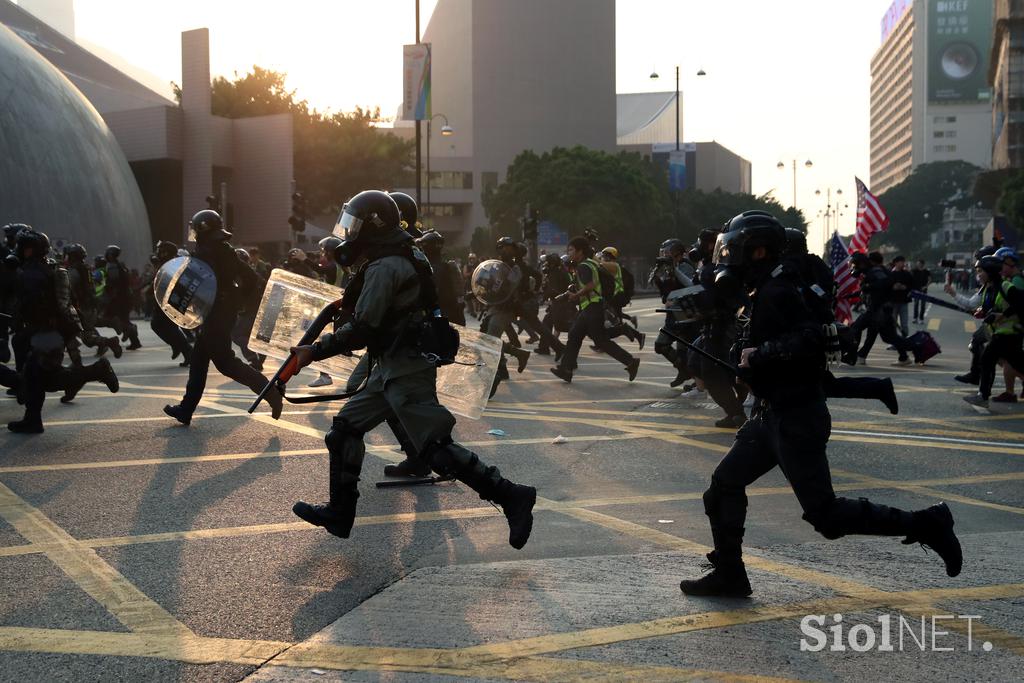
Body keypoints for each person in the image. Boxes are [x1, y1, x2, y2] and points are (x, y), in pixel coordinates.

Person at [678, 211, 962, 597]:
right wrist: (745, 354)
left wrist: (759, 356)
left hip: (796, 416)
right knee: (723, 486)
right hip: (770, 415)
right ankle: (730, 573)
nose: (728, 258)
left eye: (736, 249)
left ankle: (927, 522)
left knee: (825, 515)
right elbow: (760, 341)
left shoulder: (779, 289)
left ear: (758, 251)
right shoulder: (767, 287)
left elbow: (812, 338)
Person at [289, 190, 537, 547]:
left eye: (355, 224)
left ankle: (511, 494)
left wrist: (315, 350)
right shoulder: (398, 253)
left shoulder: (386, 265)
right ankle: (340, 512)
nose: (349, 232)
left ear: (373, 227)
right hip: (389, 364)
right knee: (344, 431)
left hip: (406, 367)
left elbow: (364, 327)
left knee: (436, 448)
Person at [163, 210, 283, 425]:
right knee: (199, 361)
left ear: (201, 229)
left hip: (214, 315)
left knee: (225, 363)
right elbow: (250, 277)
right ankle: (186, 409)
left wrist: (228, 300)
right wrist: (237, 301)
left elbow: (197, 282)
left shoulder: (205, 252)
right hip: (219, 312)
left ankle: (270, 392)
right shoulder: (224, 249)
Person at [8, 229, 119, 433]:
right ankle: (33, 420)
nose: (18, 251)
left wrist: (23, 323)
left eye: (22, 248)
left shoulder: (32, 273)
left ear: (30, 250)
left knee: (49, 379)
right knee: (35, 376)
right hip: (52, 331)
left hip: (47, 332)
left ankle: (98, 370)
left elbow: (31, 304)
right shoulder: (48, 267)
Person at [550, 237, 640, 383]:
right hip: (592, 307)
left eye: (571, 249)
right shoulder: (591, 264)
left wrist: (576, 296)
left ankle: (630, 361)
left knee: (594, 339)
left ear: (580, 251)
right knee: (579, 335)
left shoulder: (583, 266)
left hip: (591, 307)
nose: (569, 252)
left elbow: (590, 285)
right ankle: (566, 369)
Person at [962, 254, 1024, 408]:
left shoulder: (1006, 287)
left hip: (1010, 333)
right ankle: (983, 396)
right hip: (1000, 333)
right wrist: (982, 312)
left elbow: (1021, 305)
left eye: (980, 271)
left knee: (987, 359)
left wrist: (1002, 315)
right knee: (1017, 363)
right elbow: (989, 309)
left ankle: (983, 396)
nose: (978, 275)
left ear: (990, 271)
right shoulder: (987, 290)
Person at [62, 243, 123, 366]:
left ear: (73, 256)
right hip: (89, 304)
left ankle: (111, 342)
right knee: (91, 324)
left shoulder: (74, 271)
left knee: (88, 339)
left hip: (83, 306)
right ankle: (111, 325)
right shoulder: (85, 268)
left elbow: (67, 287)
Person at [650, 237, 699, 388]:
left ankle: (692, 377)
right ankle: (684, 372)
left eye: (668, 253)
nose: (664, 255)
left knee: (670, 345)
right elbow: (658, 284)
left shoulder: (685, 266)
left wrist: (673, 296)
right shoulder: (667, 267)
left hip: (684, 312)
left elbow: (691, 288)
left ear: (677, 254)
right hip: (673, 313)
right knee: (679, 348)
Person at [848, 252, 913, 365]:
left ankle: (853, 355)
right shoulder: (874, 271)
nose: (856, 266)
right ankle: (904, 356)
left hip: (878, 309)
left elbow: (884, 283)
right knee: (886, 336)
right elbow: (871, 288)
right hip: (880, 309)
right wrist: (850, 295)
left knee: (856, 327)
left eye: (857, 264)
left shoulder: (876, 271)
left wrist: (868, 287)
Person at [148, 241, 193, 366]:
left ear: (165, 252)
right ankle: (183, 349)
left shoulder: (172, 264)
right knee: (168, 328)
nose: (158, 252)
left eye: (160, 250)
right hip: (166, 300)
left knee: (159, 325)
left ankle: (186, 350)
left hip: (169, 301)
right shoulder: (170, 263)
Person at [415, 230, 466, 325]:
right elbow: (460, 294)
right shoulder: (451, 266)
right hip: (450, 316)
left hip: (430, 315)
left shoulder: (420, 268)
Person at [103, 245, 142, 350]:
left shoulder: (112, 266)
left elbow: (113, 283)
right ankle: (135, 341)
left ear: (110, 254)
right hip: (125, 297)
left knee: (114, 319)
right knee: (123, 319)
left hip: (119, 298)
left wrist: (107, 293)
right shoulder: (120, 265)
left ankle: (130, 330)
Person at [889, 256, 913, 337]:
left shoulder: (907, 274)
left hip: (903, 301)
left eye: (903, 262)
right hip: (893, 301)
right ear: (896, 263)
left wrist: (905, 287)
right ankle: (894, 341)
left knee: (904, 323)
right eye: (901, 262)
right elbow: (886, 286)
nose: (902, 263)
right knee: (893, 323)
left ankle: (905, 339)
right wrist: (893, 287)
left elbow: (912, 285)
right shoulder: (890, 274)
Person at [911, 259, 931, 325]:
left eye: (919, 263)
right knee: (916, 304)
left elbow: (929, 280)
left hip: (923, 290)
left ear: (922, 264)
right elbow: (910, 278)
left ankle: (921, 319)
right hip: (916, 290)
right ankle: (915, 318)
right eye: (917, 263)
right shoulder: (914, 271)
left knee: (923, 305)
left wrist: (926, 286)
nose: (918, 264)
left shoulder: (926, 272)